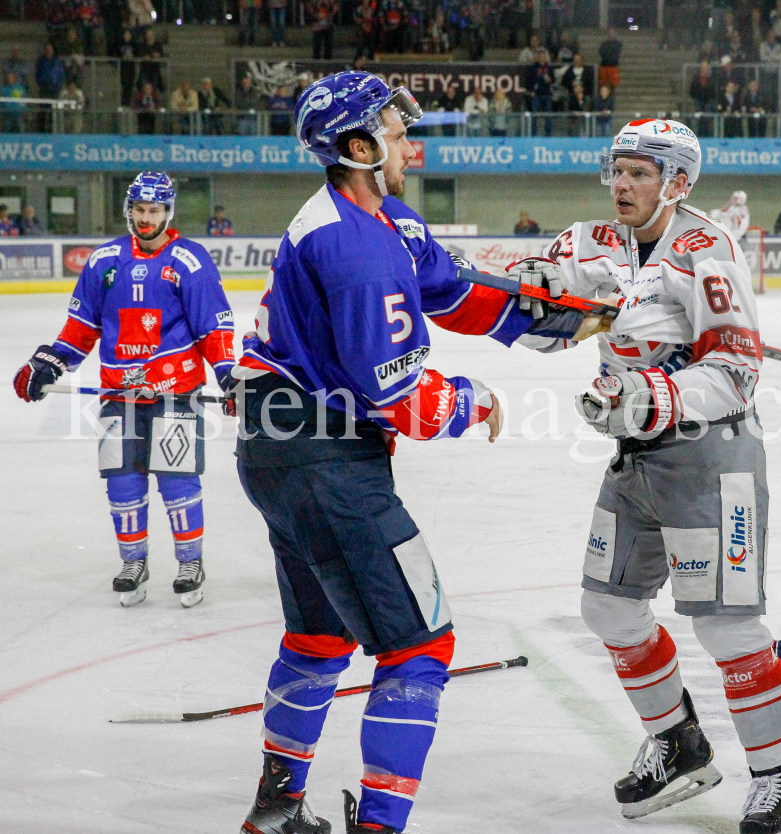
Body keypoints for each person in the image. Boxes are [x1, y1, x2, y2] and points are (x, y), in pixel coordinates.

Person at [233, 71, 592, 834]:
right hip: (328, 461)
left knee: (318, 636)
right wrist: (472, 401)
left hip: (282, 453)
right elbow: (391, 391)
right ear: (359, 148)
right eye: (394, 134)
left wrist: (557, 318)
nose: (409, 143)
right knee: (420, 646)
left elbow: (455, 290)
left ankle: (274, 813)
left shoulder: (380, 221)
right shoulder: (353, 247)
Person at [521, 118, 781, 833]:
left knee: (727, 627)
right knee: (608, 606)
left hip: (711, 456)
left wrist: (656, 395)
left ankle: (779, 779)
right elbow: (540, 334)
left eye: (639, 173)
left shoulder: (705, 249)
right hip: (635, 457)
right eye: (616, 170)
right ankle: (678, 742)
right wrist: (539, 302)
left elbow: (737, 371)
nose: (620, 184)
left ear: (676, 182)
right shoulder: (588, 241)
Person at [12, 172, 235, 609]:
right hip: (119, 395)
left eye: (153, 210)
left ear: (167, 212)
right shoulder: (104, 261)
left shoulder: (189, 261)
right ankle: (134, 562)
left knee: (177, 481)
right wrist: (49, 362)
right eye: (139, 210)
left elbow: (215, 329)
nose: (146, 218)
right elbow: (81, 328)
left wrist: (228, 375)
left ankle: (191, 562)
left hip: (176, 393)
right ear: (129, 211)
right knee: (123, 483)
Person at [598, 27, 622, 91]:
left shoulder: (618, 43)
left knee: (613, 84)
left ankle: (611, 98)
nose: (611, 34)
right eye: (609, 33)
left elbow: (616, 53)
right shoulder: (604, 44)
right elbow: (601, 52)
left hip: (613, 66)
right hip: (604, 65)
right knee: (602, 83)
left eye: (612, 33)